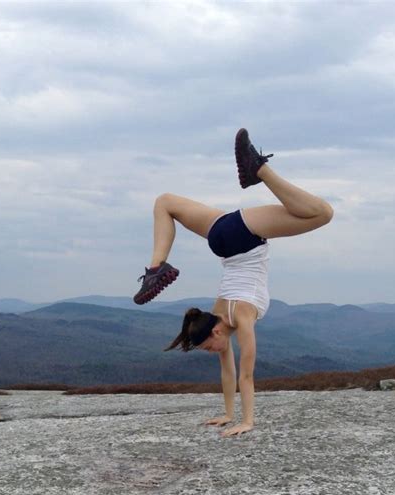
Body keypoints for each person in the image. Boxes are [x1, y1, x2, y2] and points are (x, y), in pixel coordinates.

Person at [134, 128, 334, 437]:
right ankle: (155, 268)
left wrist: (247, 421)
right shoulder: (216, 315)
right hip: (221, 235)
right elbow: (229, 374)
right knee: (164, 202)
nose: (214, 351)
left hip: (242, 237)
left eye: (209, 346)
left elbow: (247, 377)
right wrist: (228, 415)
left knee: (322, 213)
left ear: (215, 331)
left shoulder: (240, 317)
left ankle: (259, 169)